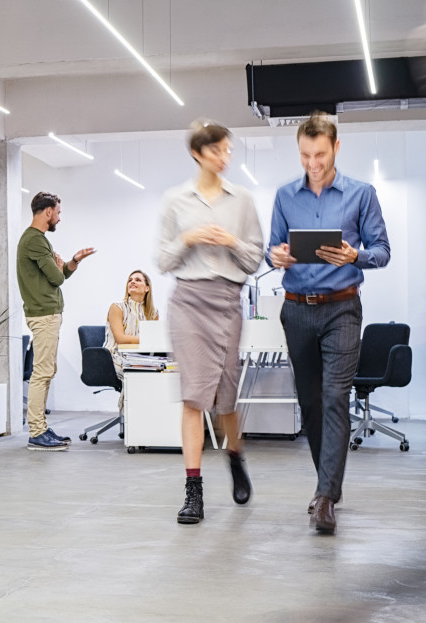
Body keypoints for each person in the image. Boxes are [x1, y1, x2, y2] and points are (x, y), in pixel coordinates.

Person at [267, 112, 390, 534]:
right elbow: (272, 248)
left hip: (342, 307)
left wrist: (355, 255)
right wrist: (277, 256)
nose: (313, 163)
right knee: (311, 402)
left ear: (336, 148)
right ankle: (328, 486)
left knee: (336, 396)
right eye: (305, 155)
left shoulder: (362, 194)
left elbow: (382, 251)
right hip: (297, 308)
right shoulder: (285, 196)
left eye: (319, 154)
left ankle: (324, 497)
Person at [156, 119, 264, 525]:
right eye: (218, 150)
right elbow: (163, 261)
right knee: (193, 396)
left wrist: (230, 241)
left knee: (225, 399)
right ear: (198, 154)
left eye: (228, 150)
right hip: (188, 300)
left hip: (227, 301)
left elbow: (254, 259)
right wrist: (188, 239)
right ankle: (193, 489)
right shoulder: (175, 201)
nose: (225, 157)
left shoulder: (243, 200)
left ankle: (235, 456)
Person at [16, 191, 95, 451]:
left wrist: (71, 262)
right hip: (43, 314)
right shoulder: (35, 241)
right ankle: (36, 432)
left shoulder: (37, 241)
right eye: (58, 213)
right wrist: (58, 266)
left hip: (47, 313)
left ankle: (41, 428)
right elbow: (57, 278)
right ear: (48, 212)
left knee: (47, 372)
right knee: (42, 373)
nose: (59, 218)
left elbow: (59, 274)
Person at [103, 270, 159, 411]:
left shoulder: (153, 312)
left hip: (142, 357)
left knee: (162, 371)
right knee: (136, 374)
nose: (132, 282)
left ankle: (151, 414)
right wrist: (147, 339)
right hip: (115, 356)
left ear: (147, 288)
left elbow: (156, 340)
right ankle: (132, 416)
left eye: (138, 280)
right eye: (130, 280)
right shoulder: (117, 307)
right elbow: (121, 339)